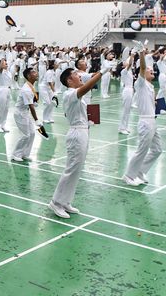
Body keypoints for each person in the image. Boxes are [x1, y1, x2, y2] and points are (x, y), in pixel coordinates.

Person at [48, 65, 105, 219]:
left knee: (77, 170)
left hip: (83, 131)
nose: (80, 76)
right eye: (76, 74)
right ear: (68, 80)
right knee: (71, 169)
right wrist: (101, 72)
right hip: (76, 133)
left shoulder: (76, 95)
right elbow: (86, 88)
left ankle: (65, 201)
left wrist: (91, 121)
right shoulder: (69, 94)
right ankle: (56, 202)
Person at [123, 49, 162, 185]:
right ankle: (128, 176)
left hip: (152, 120)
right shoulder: (140, 83)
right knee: (141, 150)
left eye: (152, 70)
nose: (152, 71)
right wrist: (141, 54)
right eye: (149, 70)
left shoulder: (151, 86)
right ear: (142, 72)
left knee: (157, 149)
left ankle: (140, 171)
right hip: (145, 121)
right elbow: (143, 66)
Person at [11, 67, 42, 162]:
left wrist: (36, 101)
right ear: (29, 76)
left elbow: (33, 102)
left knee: (32, 133)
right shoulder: (26, 89)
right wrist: (37, 120)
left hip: (25, 112)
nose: (36, 73)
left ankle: (24, 154)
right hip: (20, 113)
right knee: (25, 135)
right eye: (33, 72)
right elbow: (31, 107)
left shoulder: (31, 86)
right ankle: (15, 154)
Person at [118, 51, 135, 135]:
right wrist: (132, 54)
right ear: (122, 65)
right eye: (125, 63)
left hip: (130, 90)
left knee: (128, 110)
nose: (127, 63)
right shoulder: (124, 71)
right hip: (127, 91)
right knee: (125, 110)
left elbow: (131, 63)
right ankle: (121, 128)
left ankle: (125, 126)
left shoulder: (130, 71)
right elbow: (130, 63)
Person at [0, 58, 13, 132]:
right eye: (5, 63)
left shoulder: (8, 72)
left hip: (8, 90)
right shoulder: (0, 71)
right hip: (2, 90)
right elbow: (1, 67)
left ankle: (3, 125)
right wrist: (2, 58)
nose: (6, 64)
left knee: (6, 109)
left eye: (6, 63)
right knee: (1, 109)